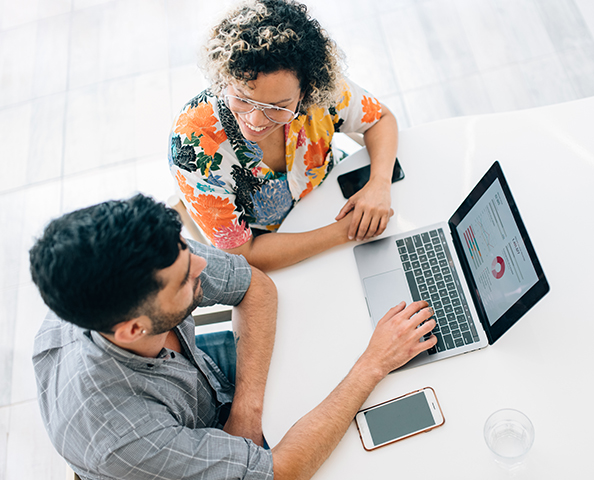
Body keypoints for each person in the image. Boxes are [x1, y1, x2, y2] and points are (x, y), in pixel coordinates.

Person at [30, 194, 436, 480]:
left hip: (207, 390)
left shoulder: (140, 265)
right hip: (173, 455)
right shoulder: (124, 435)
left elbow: (254, 286)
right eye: (184, 277)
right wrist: (373, 363)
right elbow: (285, 472)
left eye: (186, 252)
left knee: (330, 334)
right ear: (134, 329)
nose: (202, 264)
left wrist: (246, 412)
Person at [169, 0, 399, 271]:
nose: (254, 121)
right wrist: (343, 231)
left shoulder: (321, 95)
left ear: (306, 93)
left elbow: (380, 119)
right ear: (224, 80)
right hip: (280, 254)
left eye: (277, 107)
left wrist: (380, 184)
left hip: (338, 198)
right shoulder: (193, 147)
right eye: (242, 99)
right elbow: (244, 254)